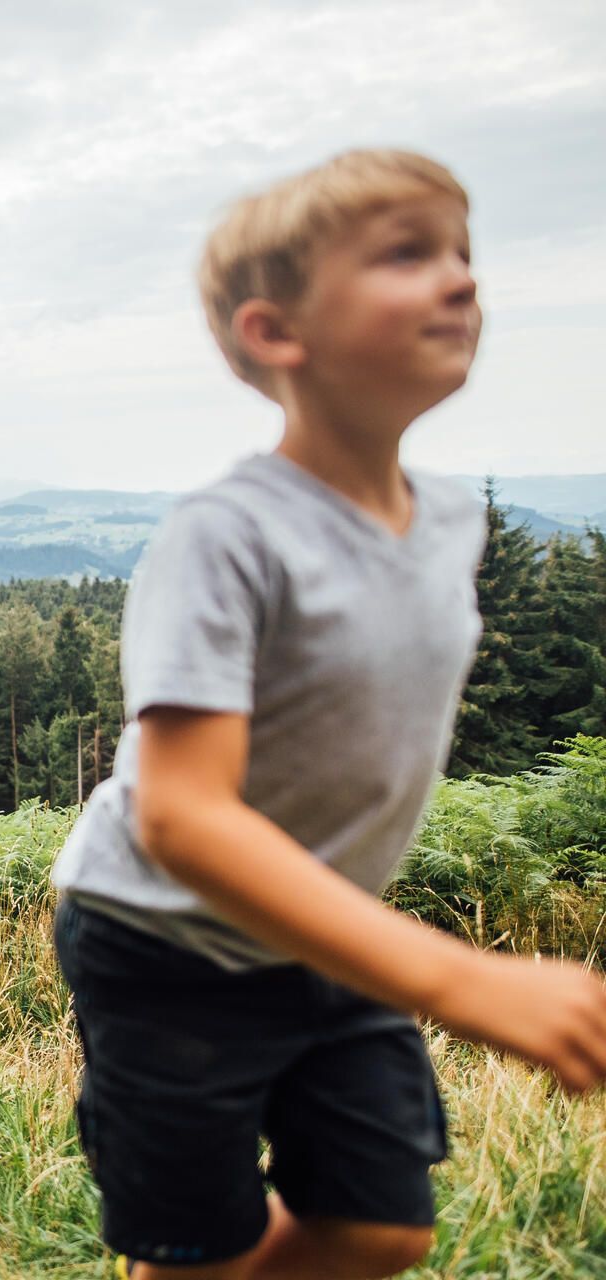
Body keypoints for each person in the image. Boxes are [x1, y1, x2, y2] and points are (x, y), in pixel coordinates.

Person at [51, 149, 606, 1280]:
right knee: (199, 1245)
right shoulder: (228, 534)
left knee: (382, 1224)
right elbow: (184, 819)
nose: (460, 280)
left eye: (464, 251)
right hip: (163, 940)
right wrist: (462, 975)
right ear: (274, 333)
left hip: (326, 928)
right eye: (409, 254)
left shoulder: (452, 522)